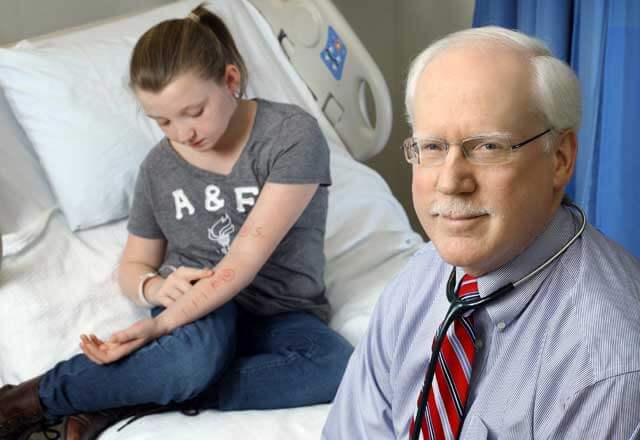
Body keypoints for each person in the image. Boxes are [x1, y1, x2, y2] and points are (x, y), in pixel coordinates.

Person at [0, 5, 353, 440]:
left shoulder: (289, 136)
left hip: (282, 310)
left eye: (194, 111)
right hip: (198, 309)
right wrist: (153, 289)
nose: (183, 133)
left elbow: (243, 259)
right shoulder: (157, 169)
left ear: (230, 80)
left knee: (335, 369)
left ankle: (127, 395)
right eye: (163, 121)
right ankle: (28, 401)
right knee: (190, 360)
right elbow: (133, 266)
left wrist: (158, 326)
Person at [322, 26, 640, 439]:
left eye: (488, 147)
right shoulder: (417, 281)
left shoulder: (606, 367)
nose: (451, 181)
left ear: (560, 159)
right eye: (432, 147)